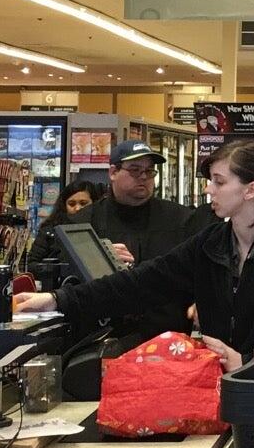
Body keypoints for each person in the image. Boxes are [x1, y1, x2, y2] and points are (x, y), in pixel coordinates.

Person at [16, 138, 254, 365]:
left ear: (250, 190)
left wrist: (251, 361)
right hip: (221, 394)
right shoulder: (211, 244)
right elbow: (141, 284)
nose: (208, 189)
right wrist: (57, 300)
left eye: (218, 181)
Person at [76, 140, 203, 338]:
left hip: (168, 339)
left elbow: (202, 271)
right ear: (113, 172)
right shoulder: (85, 221)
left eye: (149, 171)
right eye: (135, 170)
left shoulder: (181, 219)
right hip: (101, 336)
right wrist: (96, 258)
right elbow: (62, 275)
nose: (143, 177)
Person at [26, 178, 101, 273]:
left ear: (94, 203)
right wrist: (58, 269)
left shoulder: (102, 228)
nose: (77, 208)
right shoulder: (50, 230)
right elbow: (31, 264)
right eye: (72, 204)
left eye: (83, 203)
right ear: (64, 206)